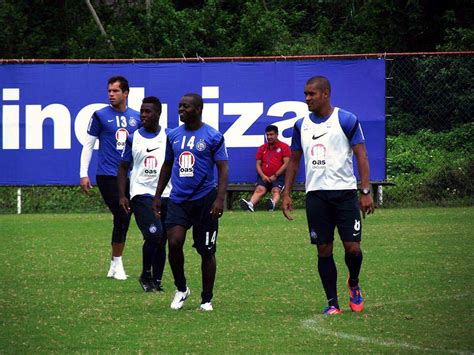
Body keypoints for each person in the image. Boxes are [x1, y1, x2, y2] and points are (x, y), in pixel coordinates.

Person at [282, 76, 374, 316]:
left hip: (344, 194)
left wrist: (365, 191)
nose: (307, 99)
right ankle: (332, 303)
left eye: (311, 94)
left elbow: (361, 156)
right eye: (305, 94)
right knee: (323, 249)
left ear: (325, 94)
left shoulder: (346, 119)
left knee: (352, 249)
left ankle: (353, 282)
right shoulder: (300, 125)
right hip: (316, 197)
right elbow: (293, 160)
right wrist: (287, 193)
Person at [152, 93, 228, 311]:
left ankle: (206, 299)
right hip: (178, 199)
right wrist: (158, 196)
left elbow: (223, 168)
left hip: (205, 200)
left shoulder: (213, 136)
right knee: (174, 242)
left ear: (198, 109)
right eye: (179, 106)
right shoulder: (173, 135)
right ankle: (181, 288)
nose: (180, 110)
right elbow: (167, 165)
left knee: (206, 250)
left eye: (185, 107)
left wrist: (220, 199)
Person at [79, 75, 140, 280]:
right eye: (109, 91)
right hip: (107, 175)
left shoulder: (137, 117)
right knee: (123, 213)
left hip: (131, 176)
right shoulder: (99, 115)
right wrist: (83, 173)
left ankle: (114, 264)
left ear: (126, 93)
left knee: (124, 216)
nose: (111, 95)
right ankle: (118, 263)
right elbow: (88, 145)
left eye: (115, 91)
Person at [118, 96, 172, 292]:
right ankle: (145, 274)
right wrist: (123, 195)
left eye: (148, 111)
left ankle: (156, 281)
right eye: (142, 111)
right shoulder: (133, 138)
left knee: (163, 238)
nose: (143, 115)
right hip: (141, 193)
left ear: (158, 113)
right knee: (154, 234)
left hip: (167, 194)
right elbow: (123, 167)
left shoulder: (169, 136)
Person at [240, 125, 291, 212]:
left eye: (271, 135)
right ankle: (250, 205)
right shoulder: (262, 148)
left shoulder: (284, 147)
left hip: (279, 177)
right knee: (260, 189)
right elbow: (258, 164)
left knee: (276, 190)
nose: (269, 137)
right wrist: (263, 175)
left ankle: (272, 205)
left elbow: (287, 163)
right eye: (267, 135)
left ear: (277, 134)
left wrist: (276, 175)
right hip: (264, 176)